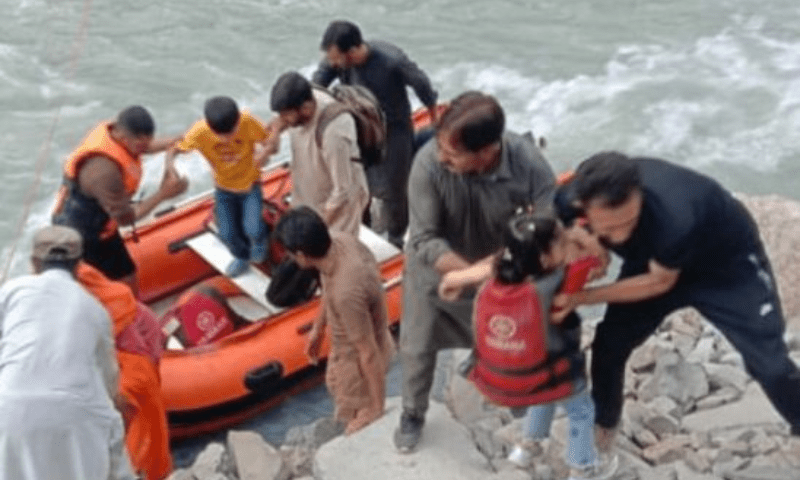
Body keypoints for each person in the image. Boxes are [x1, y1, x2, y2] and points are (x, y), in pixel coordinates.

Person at [554, 152, 800, 454]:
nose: (619, 235)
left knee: (771, 366)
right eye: (608, 228)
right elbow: (564, 228)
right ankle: (604, 423)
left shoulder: (676, 214)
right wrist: (591, 243)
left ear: (640, 195)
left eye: (627, 222)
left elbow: (660, 282)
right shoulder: (569, 198)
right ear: (583, 205)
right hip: (652, 257)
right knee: (609, 344)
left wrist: (583, 297)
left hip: (725, 269)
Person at [395, 91, 557, 453]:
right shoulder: (427, 166)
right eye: (440, 147)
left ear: (485, 153)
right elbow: (422, 240)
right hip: (436, 276)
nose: (441, 157)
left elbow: (549, 216)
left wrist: (518, 256)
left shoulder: (527, 161)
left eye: (452, 155)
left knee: (508, 344)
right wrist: (473, 273)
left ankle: (518, 405)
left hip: (500, 276)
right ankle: (412, 413)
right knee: (417, 348)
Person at [438, 212, 615, 480]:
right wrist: (585, 239)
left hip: (505, 377)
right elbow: (596, 261)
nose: (566, 243)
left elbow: (475, 272)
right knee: (581, 411)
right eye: (560, 241)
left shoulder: (500, 270)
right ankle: (583, 467)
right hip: (555, 370)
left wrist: (451, 282)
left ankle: (526, 448)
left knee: (542, 396)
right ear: (544, 258)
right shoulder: (556, 280)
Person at [0, 225, 135, 480]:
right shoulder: (95, 310)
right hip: (75, 417)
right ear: (78, 266)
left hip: (8, 410)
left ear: (34, 263)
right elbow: (109, 379)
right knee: (110, 436)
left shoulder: (11, 291)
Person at [312, 20, 439, 248]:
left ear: (351, 52)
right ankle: (364, 221)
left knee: (395, 188)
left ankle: (397, 233)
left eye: (335, 57)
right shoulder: (337, 61)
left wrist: (433, 113)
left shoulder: (392, 60)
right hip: (359, 124)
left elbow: (421, 84)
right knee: (356, 177)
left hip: (394, 129)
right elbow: (317, 84)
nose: (331, 63)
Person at [273, 206, 395, 434]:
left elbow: (367, 352)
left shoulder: (346, 293)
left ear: (301, 255)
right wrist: (318, 328)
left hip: (356, 367)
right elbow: (329, 284)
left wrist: (376, 408)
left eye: (290, 253)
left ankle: (369, 414)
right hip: (346, 350)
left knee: (355, 425)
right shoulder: (340, 242)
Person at [52, 105, 188, 294]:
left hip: (103, 223)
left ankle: (134, 310)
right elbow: (126, 218)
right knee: (97, 289)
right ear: (125, 139)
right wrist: (164, 193)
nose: (145, 148)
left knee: (128, 274)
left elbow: (144, 144)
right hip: (84, 236)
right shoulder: (104, 173)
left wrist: (173, 143)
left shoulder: (116, 133)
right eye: (141, 145)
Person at [77, 262, 172, 480]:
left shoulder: (114, 324)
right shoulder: (112, 301)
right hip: (138, 368)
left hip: (136, 380)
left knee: (145, 447)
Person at [166, 96, 275, 277]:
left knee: (253, 228)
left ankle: (260, 240)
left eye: (231, 132)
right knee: (227, 234)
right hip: (224, 189)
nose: (226, 138)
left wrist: (265, 154)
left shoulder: (247, 121)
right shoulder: (199, 131)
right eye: (221, 134)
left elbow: (269, 141)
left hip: (250, 185)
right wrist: (170, 169)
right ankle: (242, 256)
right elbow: (174, 149)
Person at [270, 71, 369, 236]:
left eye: (286, 115)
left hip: (339, 206)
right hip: (307, 194)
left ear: (306, 108)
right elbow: (280, 121)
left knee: (335, 250)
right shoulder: (302, 100)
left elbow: (342, 191)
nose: (282, 119)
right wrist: (274, 133)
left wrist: (318, 227)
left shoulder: (334, 131)